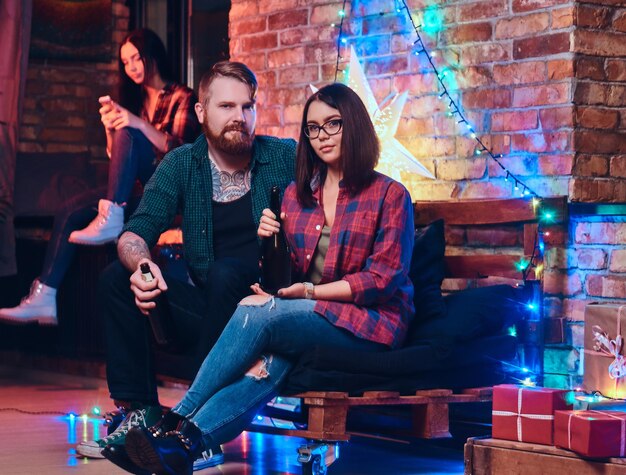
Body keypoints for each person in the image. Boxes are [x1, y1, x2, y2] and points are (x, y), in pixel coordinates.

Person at [117, 82, 415, 475]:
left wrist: (302, 293)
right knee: (270, 360)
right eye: (313, 128)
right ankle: (183, 447)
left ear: (355, 125)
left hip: (371, 322)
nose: (321, 136)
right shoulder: (296, 195)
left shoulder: (390, 195)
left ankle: (173, 421)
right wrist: (270, 248)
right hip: (311, 315)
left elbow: (382, 280)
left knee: (261, 314)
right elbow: (288, 274)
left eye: (333, 124)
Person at [76, 61, 296, 471]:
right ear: (200, 112)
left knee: (229, 272)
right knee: (116, 278)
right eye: (226, 106)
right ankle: (140, 415)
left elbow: (340, 197)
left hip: (267, 317)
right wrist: (143, 266)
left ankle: (195, 431)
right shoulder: (182, 165)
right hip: (212, 314)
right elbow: (134, 232)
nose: (239, 118)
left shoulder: (284, 157)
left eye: (247, 107)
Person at [0, 28, 199, 325]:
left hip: (168, 191)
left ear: (152, 55)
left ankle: (113, 214)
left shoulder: (182, 96)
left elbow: (182, 152)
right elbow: (118, 159)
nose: (131, 67)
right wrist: (112, 128)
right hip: (133, 192)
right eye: (126, 62)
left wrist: (136, 125)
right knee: (69, 209)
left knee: (129, 131)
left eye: (136, 58)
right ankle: (45, 294)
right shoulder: (136, 101)